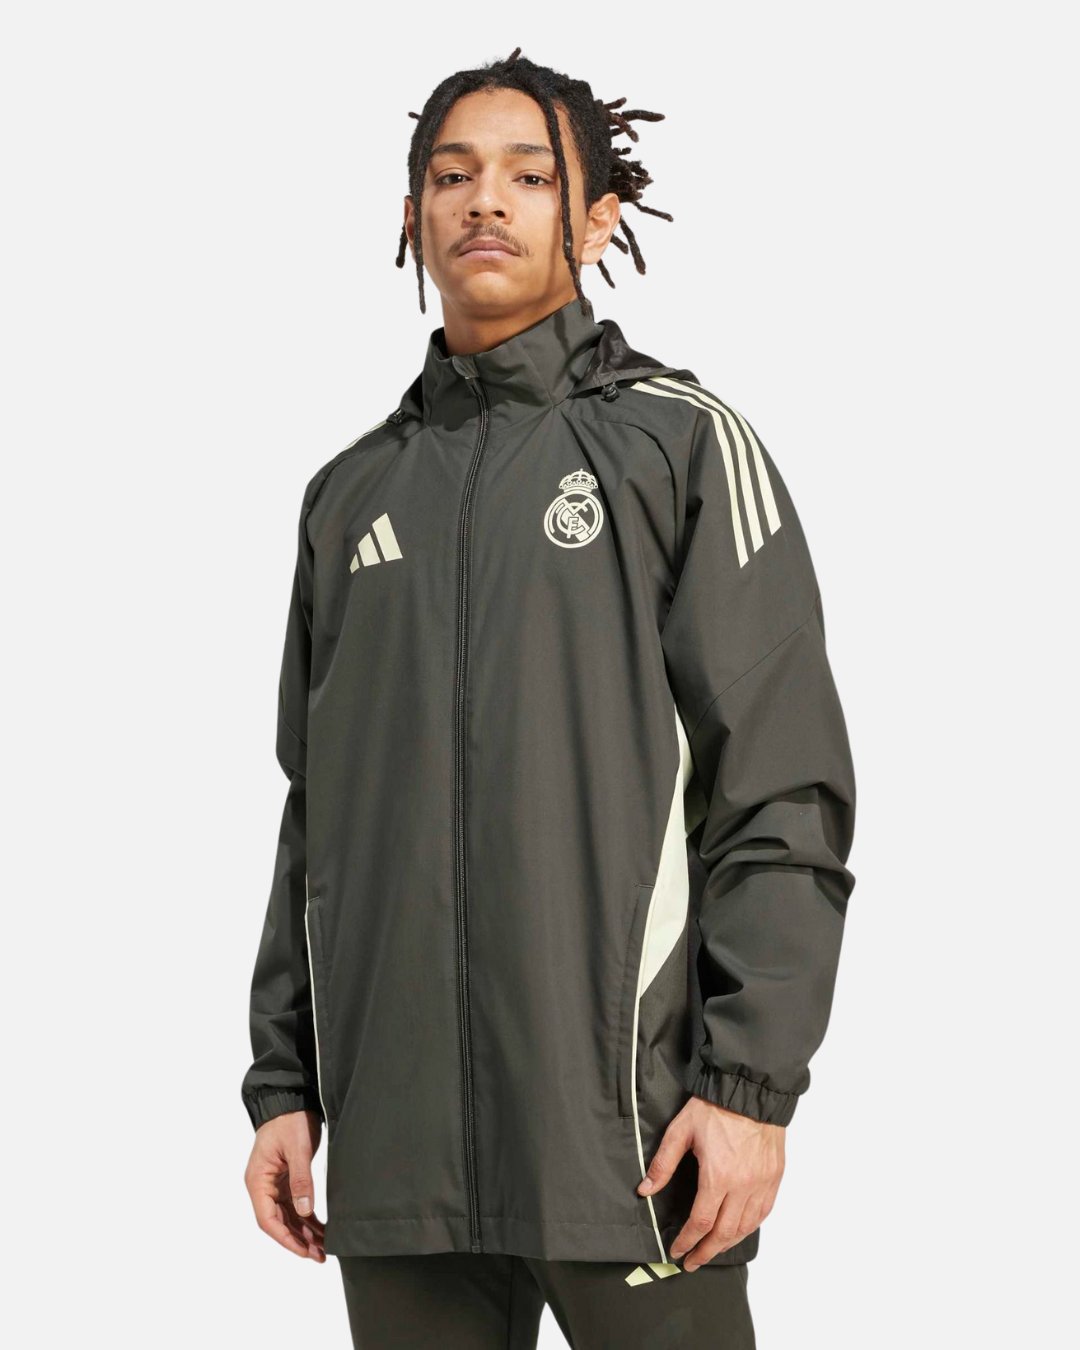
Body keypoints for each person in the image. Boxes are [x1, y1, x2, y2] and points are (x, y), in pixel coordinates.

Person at [241, 46, 857, 1349]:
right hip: (399, 1158)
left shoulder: (679, 447)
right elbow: (317, 821)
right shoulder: (349, 497)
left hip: (631, 1145)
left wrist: (750, 1089)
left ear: (596, 219)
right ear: (411, 215)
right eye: (451, 175)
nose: (485, 200)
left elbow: (783, 788)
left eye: (529, 176)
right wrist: (284, 1083)